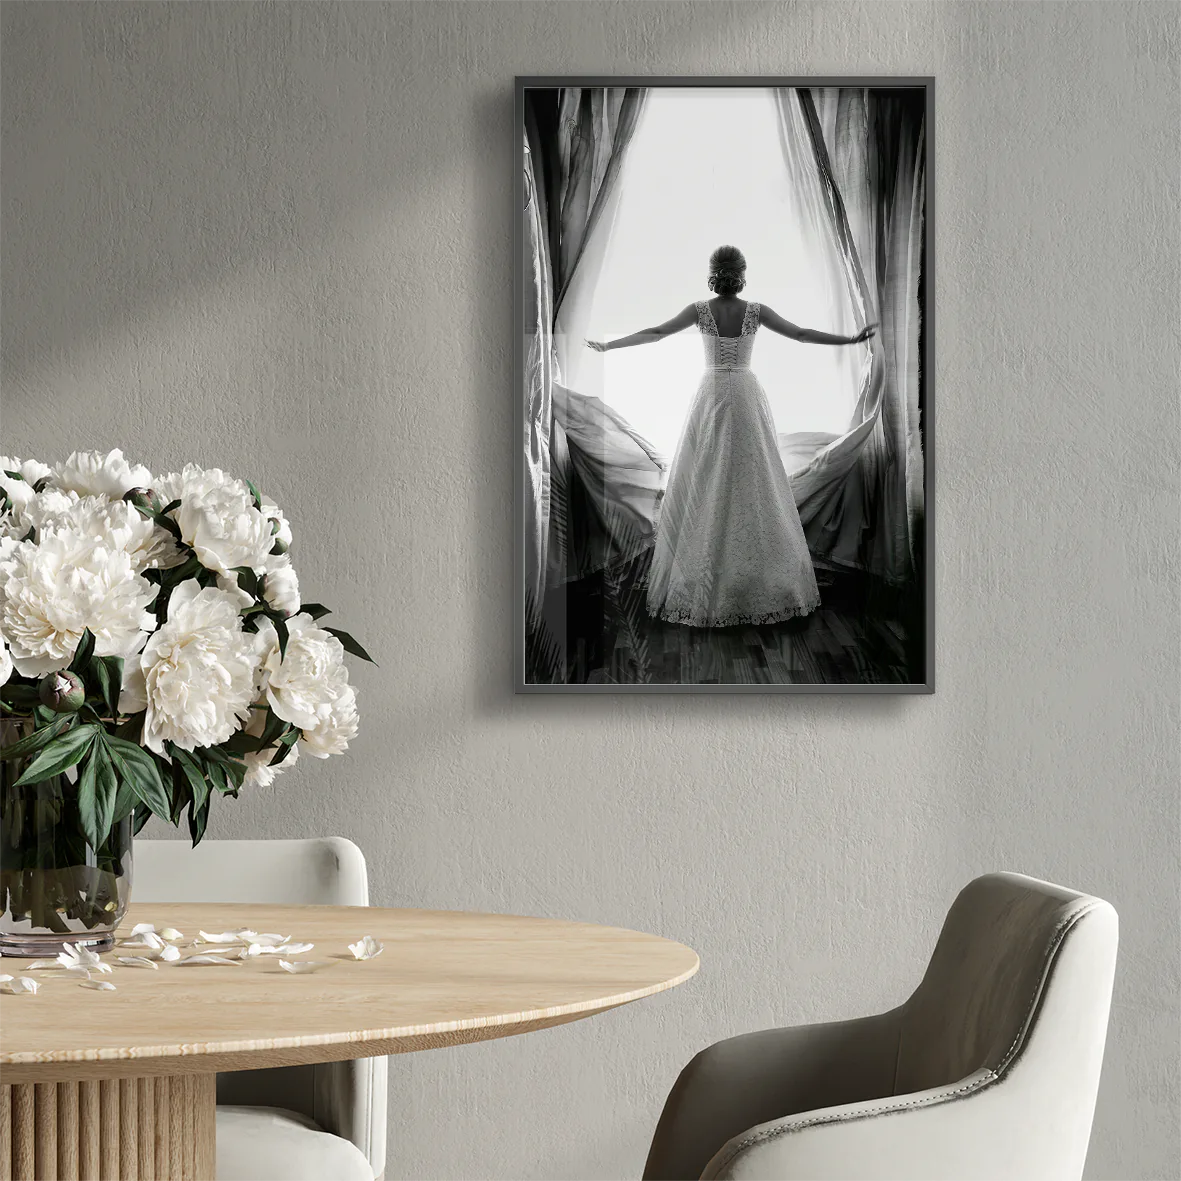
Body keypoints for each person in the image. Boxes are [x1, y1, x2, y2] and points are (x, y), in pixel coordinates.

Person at [586, 245, 874, 627]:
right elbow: (802, 334)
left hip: (711, 394)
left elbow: (656, 333)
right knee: (754, 477)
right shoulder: (756, 311)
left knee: (706, 475)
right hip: (745, 392)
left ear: (713, 273)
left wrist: (610, 346)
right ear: (741, 273)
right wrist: (851, 340)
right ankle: (755, 576)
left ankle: (708, 573)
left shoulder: (699, 310)